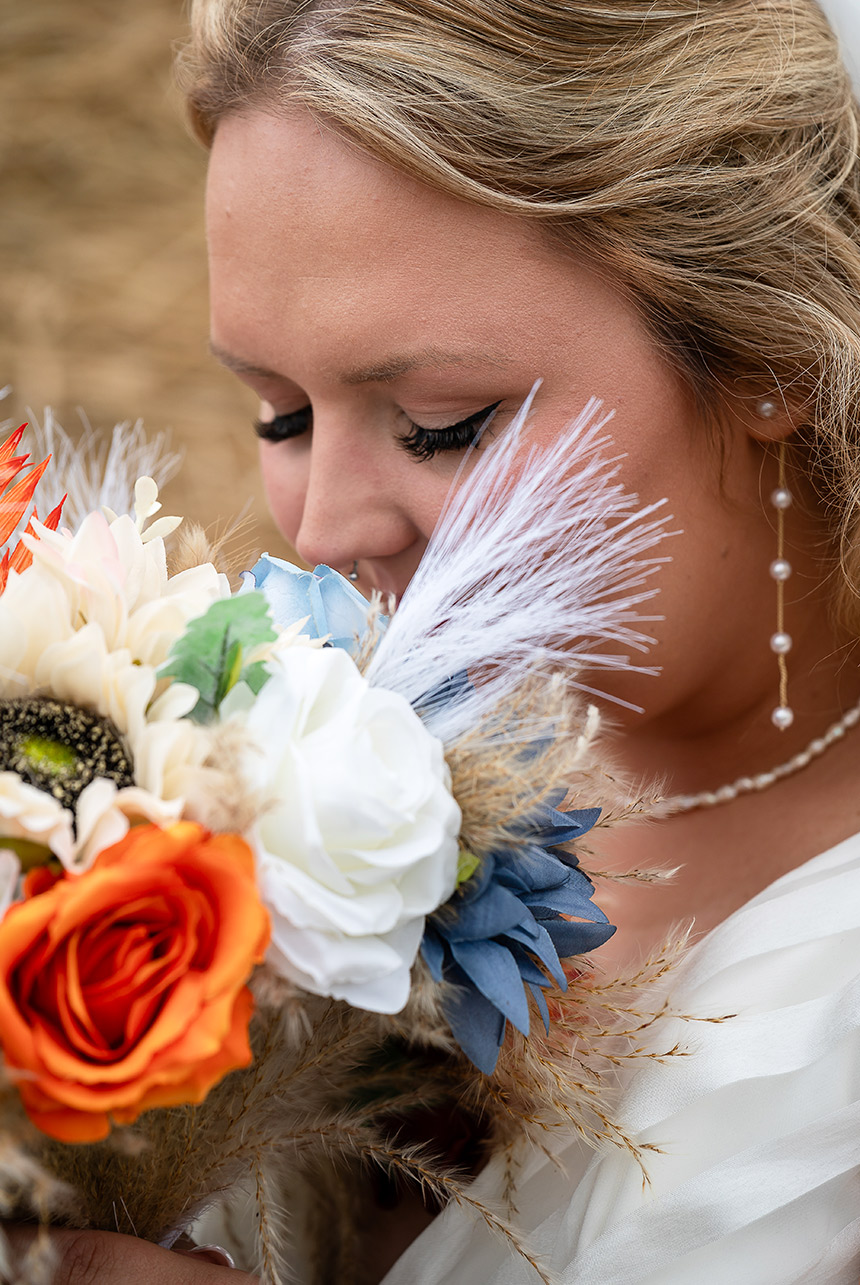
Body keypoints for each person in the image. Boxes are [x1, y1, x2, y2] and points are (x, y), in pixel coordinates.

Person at [16, 0, 860, 1280]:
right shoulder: (249, 770)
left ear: (766, 352)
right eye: (280, 412)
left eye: (440, 422)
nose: (323, 531)